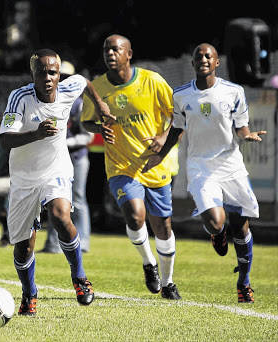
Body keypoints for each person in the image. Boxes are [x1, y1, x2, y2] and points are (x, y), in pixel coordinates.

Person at [142, 43, 266, 303]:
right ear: (193, 64)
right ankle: (217, 234)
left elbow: (241, 127)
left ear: (217, 62)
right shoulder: (182, 95)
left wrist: (248, 135)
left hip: (230, 164)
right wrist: (160, 155)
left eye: (208, 56)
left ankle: (244, 282)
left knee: (241, 228)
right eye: (199, 57)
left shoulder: (234, 92)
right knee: (215, 221)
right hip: (199, 165)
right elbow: (177, 129)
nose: (203, 60)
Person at [0, 49, 114, 315]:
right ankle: (30, 293)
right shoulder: (19, 97)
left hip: (56, 168)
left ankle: (80, 277)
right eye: (41, 72)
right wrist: (36, 134)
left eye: (52, 72)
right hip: (24, 178)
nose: (47, 77)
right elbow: (5, 139)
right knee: (23, 247)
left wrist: (99, 105)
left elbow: (85, 82)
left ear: (59, 74)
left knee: (61, 216)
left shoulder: (68, 87)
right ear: (33, 74)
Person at [81, 34, 181, 300]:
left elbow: (180, 116)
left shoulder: (152, 81)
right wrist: (99, 127)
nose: (110, 53)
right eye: (106, 50)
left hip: (153, 164)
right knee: (135, 216)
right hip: (120, 165)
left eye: (116, 49)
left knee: (162, 226)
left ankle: (169, 282)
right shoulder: (98, 87)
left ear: (129, 54)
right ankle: (149, 263)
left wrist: (163, 138)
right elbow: (86, 122)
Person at [41, 60, 94, 254]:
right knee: (53, 199)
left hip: (77, 158)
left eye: (64, 77)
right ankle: (53, 245)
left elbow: (87, 136)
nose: (59, 80)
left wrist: (64, 143)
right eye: (57, 76)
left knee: (78, 199)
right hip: (55, 160)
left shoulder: (79, 104)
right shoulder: (49, 103)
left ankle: (84, 242)